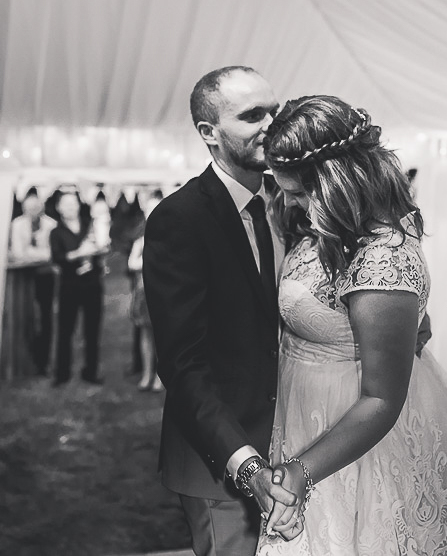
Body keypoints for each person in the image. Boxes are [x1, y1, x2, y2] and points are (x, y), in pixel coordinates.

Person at [257, 96, 447, 554]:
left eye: (300, 192)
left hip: (361, 438)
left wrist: (301, 472)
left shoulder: (382, 259)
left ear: (336, 182)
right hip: (308, 417)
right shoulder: (330, 228)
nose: (289, 202)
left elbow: (382, 396)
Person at [143, 66, 299, 555]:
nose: (272, 124)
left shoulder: (291, 202)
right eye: (252, 115)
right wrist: (245, 464)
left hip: (299, 440)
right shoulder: (178, 219)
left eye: (275, 111)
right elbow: (182, 363)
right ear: (209, 133)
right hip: (221, 459)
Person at [49, 189, 108, 387]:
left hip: (92, 284)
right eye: (66, 204)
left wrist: (100, 250)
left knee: (92, 331)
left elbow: (101, 247)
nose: (71, 207)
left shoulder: (89, 225)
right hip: (69, 286)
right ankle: (62, 373)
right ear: (59, 207)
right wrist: (78, 253)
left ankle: (91, 371)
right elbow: (57, 259)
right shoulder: (56, 232)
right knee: (65, 331)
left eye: (73, 203)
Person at [9, 192, 58, 376]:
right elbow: (17, 252)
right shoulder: (18, 224)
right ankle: (25, 356)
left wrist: (31, 252)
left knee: (46, 318)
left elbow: (52, 254)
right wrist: (38, 253)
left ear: (42, 207)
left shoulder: (51, 225)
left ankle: (43, 361)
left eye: (35, 208)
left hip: (45, 278)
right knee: (24, 317)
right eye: (28, 209)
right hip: (22, 279)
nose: (32, 212)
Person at [127, 235, 163, 392]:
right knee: (146, 335)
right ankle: (147, 373)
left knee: (162, 337)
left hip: (163, 293)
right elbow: (131, 264)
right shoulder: (140, 241)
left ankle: (160, 376)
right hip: (144, 293)